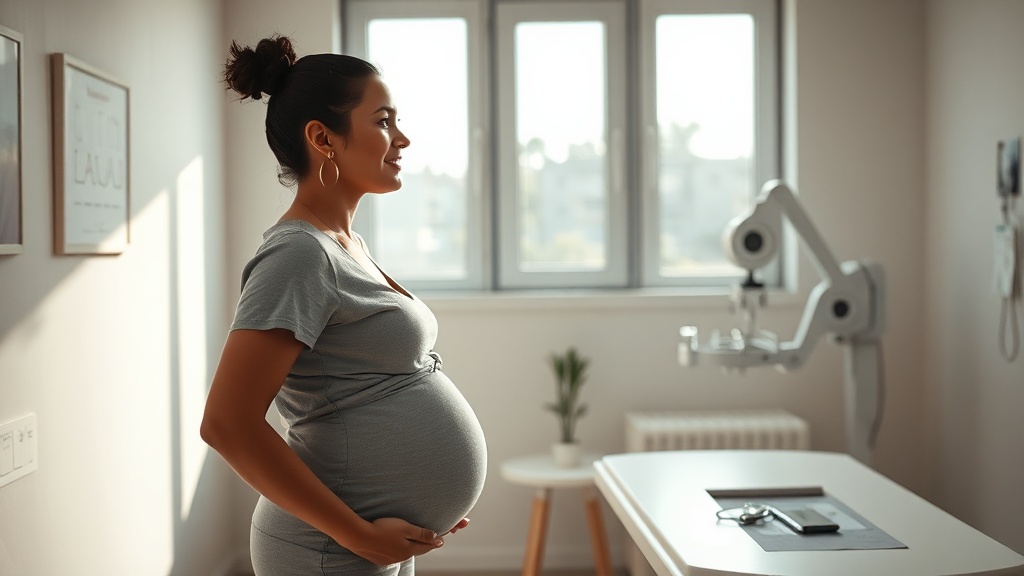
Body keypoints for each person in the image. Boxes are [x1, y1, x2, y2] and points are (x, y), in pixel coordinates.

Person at [201, 35, 488, 576]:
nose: (402, 139)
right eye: (383, 121)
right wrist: (357, 534)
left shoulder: (344, 244)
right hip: (326, 549)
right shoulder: (298, 254)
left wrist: (429, 497)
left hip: (372, 539)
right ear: (322, 138)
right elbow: (227, 423)